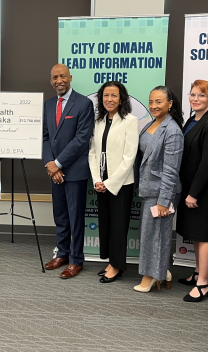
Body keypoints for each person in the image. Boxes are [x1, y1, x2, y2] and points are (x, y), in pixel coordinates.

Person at [42, 64, 94, 279]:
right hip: (55, 171)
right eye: (55, 77)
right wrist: (50, 164)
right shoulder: (48, 104)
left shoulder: (84, 103)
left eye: (62, 76)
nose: (59, 80)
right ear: (51, 80)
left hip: (74, 171)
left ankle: (76, 260)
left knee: (75, 217)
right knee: (60, 216)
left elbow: (82, 140)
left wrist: (59, 163)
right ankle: (62, 253)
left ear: (70, 77)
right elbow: (45, 137)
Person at [177, 80, 208, 302]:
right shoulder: (192, 120)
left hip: (203, 191)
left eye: (202, 96)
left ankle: (204, 284)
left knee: (205, 236)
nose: (195, 99)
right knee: (197, 234)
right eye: (193, 94)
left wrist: (194, 193)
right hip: (189, 187)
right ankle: (198, 272)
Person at [133, 86, 184, 293]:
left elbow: (172, 170)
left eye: (159, 102)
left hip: (163, 191)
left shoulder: (173, 131)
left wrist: (164, 200)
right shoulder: (152, 124)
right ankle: (162, 271)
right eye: (151, 101)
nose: (153, 106)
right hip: (149, 188)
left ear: (170, 104)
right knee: (149, 234)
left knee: (157, 236)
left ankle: (152, 276)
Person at [87, 81, 138, 283]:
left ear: (121, 98)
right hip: (101, 183)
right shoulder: (98, 120)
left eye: (114, 95)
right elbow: (92, 152)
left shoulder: (130, 121)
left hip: (121, 184)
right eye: (106, 95)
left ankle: (117, 266)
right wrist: (98, 180)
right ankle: (111, 261)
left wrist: (109, 183)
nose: (109, 99)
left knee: (118, 226)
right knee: (106, 224)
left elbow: (129, 156)